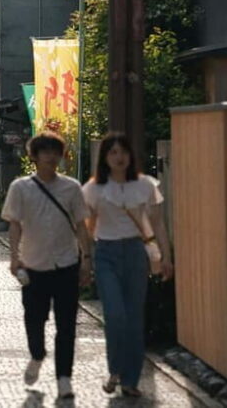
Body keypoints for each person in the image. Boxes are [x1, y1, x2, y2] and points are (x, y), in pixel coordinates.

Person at [1, 131, 94, 400]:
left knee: (67, 324)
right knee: (34, 319)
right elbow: (15, 224)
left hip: (66, 263)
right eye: (45, 152)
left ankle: (64, 377)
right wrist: (14, 257)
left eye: (55, 152)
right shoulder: (20, 188)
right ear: (35, 156)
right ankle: (37, 356)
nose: (51, 157)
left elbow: (80, 225)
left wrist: (86, 259)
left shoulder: (71, 187)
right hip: (33, 263)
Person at [82, 132, 174, 398]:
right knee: (115, 314)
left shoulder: (144, 185)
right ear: (105, 157)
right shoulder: (94, 188)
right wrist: (85, 258)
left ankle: (130, 380)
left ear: (131, 156)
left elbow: (157, 224)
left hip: (135, 252)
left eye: (123, 151)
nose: (119, 157)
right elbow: (85, 226)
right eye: (113, 152)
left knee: (134, 318)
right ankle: (115, 370)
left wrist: (165, 257)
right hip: (106, 253)